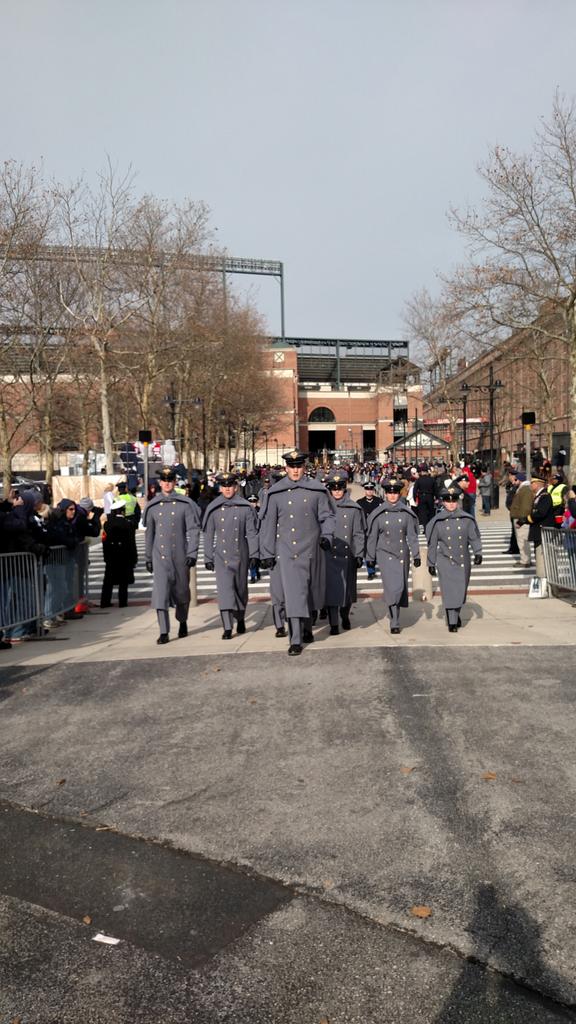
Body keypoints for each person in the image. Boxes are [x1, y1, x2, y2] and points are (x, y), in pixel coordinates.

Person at [258, 449, 336, 656]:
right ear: (286, 468)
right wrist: (266, 552)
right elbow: (268, 525)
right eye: (291, 466)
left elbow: (327, 517)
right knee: (293, 594)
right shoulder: (275, 493)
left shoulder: (316, 490)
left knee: (309, 592)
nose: (295, 470)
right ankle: (295, 640)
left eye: (299, 466)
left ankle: (307, 628)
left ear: (304, 467)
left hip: (311, 549)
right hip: (287, 551)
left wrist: (327, 536)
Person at [142, 466, 201, 644]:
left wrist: (192, 552)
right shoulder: (153, 506)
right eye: (164, 481)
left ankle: (182, 620)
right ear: (160, 483)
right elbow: (149, 534)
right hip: (160, 557)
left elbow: (193, 530)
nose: (167, 484)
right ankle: (164, 631)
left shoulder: (185, 504)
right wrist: (148, 557)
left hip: (180, 556)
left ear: (175, 482)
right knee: (160, 595)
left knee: (182, 593)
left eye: (170, 481)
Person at [203, 472, 259, 639]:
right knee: (225, 591)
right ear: (221, 488)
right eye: (224, 486)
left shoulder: (245, 507)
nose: (227, 489)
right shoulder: (213, 508)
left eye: (230, 485)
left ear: (235, 487)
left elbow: (252, 532)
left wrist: (254, 554)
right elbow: (208, 535)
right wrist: (208, 557)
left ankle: (240, 617)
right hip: (222, 556)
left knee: (241, 590)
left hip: (241, 554)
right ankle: (227, 627)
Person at [366, 477, 420, 634]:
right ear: (385, 494)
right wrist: (370, 558)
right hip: (384, 554)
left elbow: (412, 536)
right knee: (392, 588)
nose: (392, 496)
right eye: (389, 493)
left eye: (395, 492)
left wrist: (416, 555)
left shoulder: (406, 513)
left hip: (402, 554)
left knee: (400, 588)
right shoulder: (378, 514)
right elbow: (372, 538)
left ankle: (395, 615)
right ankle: (394, 621)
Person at [426, 484, 482, 633]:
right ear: (443, 502)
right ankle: (452, 620)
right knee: (450, 591)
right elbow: (432, 544)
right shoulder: (437, 522)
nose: (451, 504)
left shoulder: (466, 519)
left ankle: (455, 613)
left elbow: (473, 537)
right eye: (447, 501)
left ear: (457, 502)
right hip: (445, 560)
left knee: (460, 591)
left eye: (453, 501)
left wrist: (478, 552)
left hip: (463, 560)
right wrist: (430, 563)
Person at [323, 470, 365, 635]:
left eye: (340, 488)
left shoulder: (353, 508)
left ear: (344, 488)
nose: (337, 491)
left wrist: (359, 554)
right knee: (331, 590)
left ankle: (345, 615)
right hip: (328, 554)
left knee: (347, 591)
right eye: (334, 488)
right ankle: (333, 623)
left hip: (347, 555)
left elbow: (358, 533)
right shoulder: (324, 508)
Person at [100, 500, 138, 608]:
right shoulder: (128, 524)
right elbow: (131, 542)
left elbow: (105, 542)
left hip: (111, 556)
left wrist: (105, 556)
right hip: (124, 555)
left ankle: (105, 601)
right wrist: (134, 558)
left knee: (108, 580)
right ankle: (122, 602)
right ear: (123, 511)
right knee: (123, 581)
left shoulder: (107, 524)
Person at [518, 477, 557, 578]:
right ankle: (542, 579)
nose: (531, 485)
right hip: (538, 532)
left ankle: (543, 579)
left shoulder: (545, 496)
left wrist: (525, 520)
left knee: (542, 558)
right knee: (539, 556)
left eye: (532, 483)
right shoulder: (539, 496)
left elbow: (540, 513)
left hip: (542, 532)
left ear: (538, 484)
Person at [356, 482, 382, 579]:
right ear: (365, 490)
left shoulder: (379, 501)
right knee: (368, 551)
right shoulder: (359, 502)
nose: (369, 491)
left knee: (379, 550)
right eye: (367, 489)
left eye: (371, 489)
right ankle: (371, 571)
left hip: (378, 530)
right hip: (366, 530)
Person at [509, 472, 534, 568]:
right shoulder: (523, 488)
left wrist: (521, 520)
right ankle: (525, 559)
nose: (514, 482)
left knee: (522, 540)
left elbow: (526, 506)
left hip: (521, 518)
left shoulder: (525, 489)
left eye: (515, 480)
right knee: (522, 540)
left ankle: (525, 560)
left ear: (519, 480)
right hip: (519, 517)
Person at [412, 464, 436, 529]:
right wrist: (436, 497)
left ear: (422, 472)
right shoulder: (432, 479)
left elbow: (415, 490)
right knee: (430, 512)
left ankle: (425, 526)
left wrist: (415, 499)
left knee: (423, 513)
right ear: (427, 471)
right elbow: (435, 489)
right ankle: (429, 526)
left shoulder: (419, 480)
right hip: (430, 496)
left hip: (422, 496)